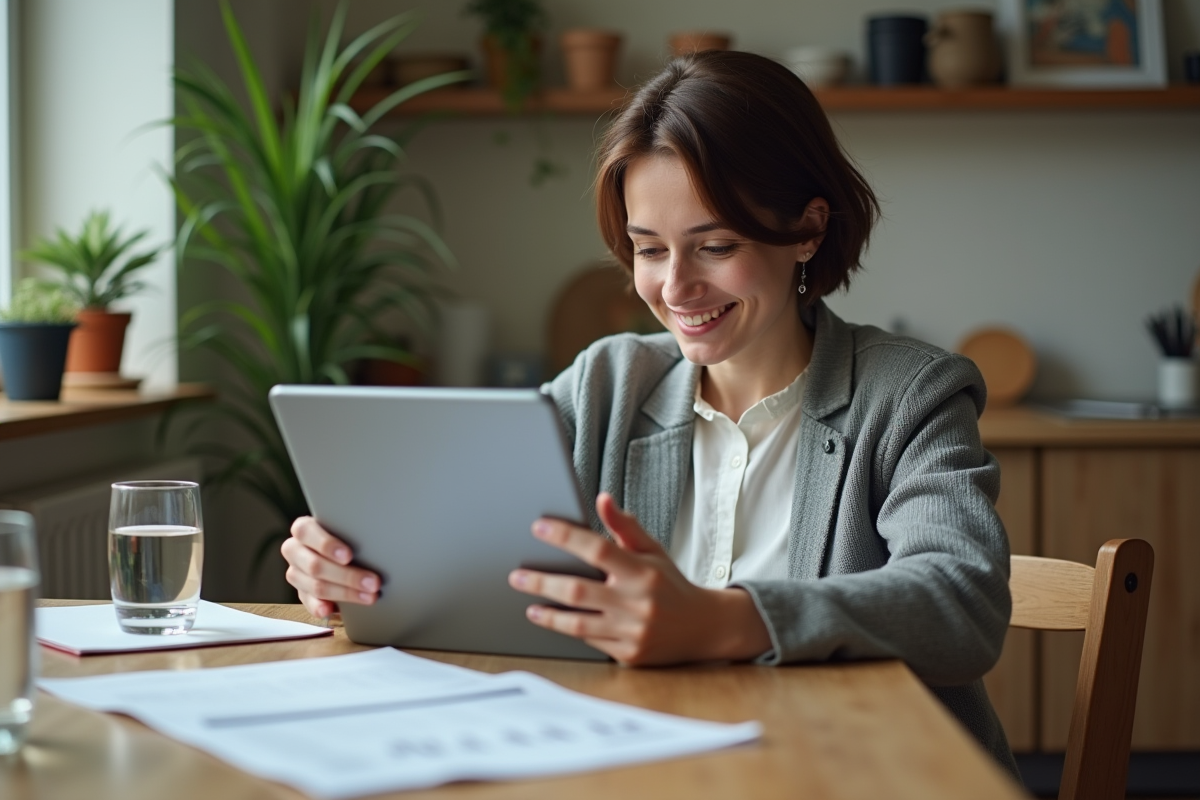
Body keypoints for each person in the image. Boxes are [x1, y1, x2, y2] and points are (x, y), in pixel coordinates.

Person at [281, 51, 1017, 776]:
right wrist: (353, 569)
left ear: (808, 230)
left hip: (856, 775)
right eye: (648, 250)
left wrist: (727, 618)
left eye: (715, 246)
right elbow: (467, 545)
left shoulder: (909, 395)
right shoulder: (608, 382)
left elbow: (960, 600)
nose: (675, 288)